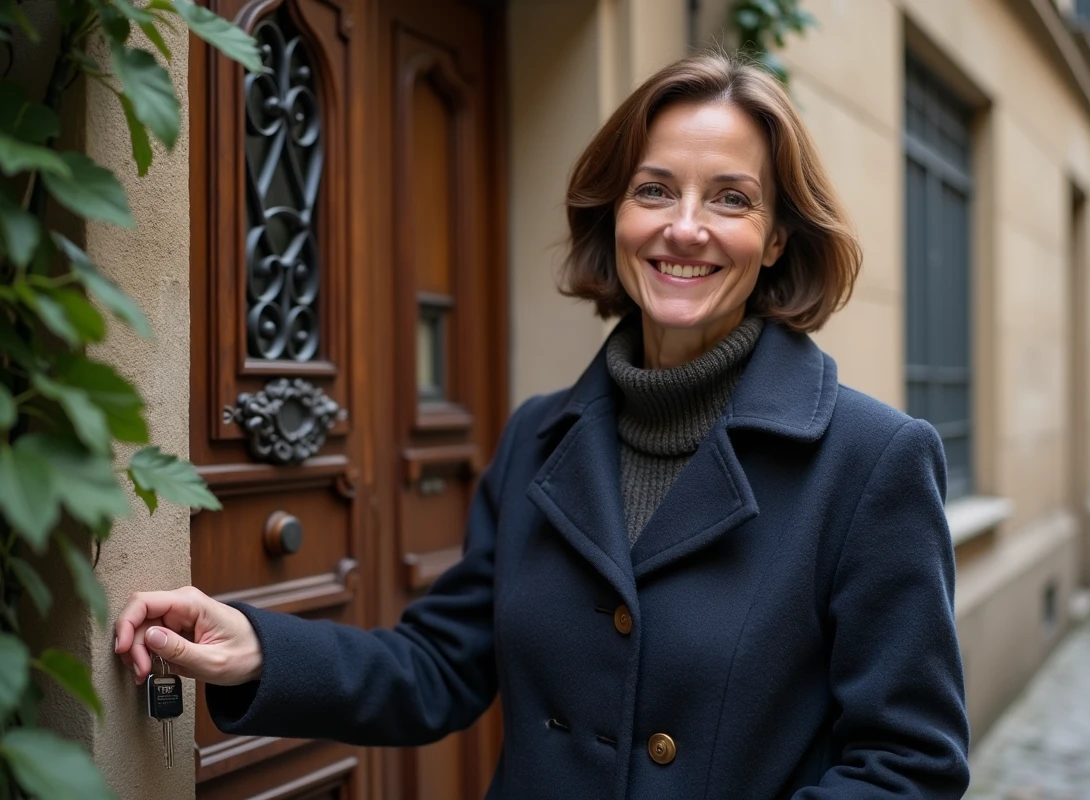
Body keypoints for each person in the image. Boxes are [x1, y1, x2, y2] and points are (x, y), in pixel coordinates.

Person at [116, 52, 970, 798]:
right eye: (654, 189)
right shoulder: (539, 437)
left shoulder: (871, 460)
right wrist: (258, 648)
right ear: (615, 215)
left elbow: (908, 764)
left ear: (778, 238)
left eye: (732, 199)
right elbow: (440, 668)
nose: (684, 227)